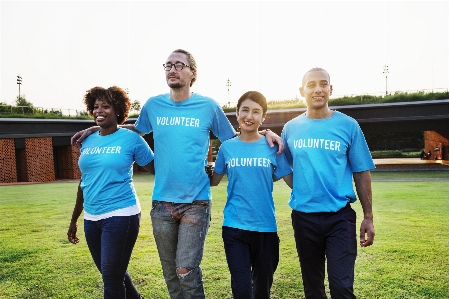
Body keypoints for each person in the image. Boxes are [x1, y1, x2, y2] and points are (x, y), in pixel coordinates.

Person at [70, 49, 284, 299]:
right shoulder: (153, 105)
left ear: (192, 73)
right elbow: (129, 130)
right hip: (162, 204)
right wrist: (95, 128)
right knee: (170, 273)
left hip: (195, 203)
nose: (172, 69)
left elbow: (236, 139)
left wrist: (266, 132)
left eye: (179, 65)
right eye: (168, 65)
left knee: (186, 270)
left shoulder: (208, 106)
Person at [281, 68, 375, 299]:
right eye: (311, 85)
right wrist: (305, 188)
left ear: (330, 89)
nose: (318, 89)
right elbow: (285, 167)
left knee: (341, 287)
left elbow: (361, 172)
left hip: (339, 218)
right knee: (313, 288)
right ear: (302, 91)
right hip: (304, 218)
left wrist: (369, 217)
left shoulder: (348, 125)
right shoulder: (290, 128)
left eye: (323, 84)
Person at [67, 86, 154, 299]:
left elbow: (157, 171)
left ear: (117, 110)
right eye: (96, 106)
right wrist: (74, 219)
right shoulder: (87, 139)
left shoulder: (131, 139)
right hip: (91, 217)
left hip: (121, 214)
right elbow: (84, 182)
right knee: (113, 273)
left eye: (106, 106)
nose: (100, 110)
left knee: (111, 279)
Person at [210, 91, 292, 299]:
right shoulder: (227, 148)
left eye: (256, 112)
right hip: (234, 227)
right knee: (242, 288)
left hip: (265, 227)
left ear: (263, 117)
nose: (249, 116)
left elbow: (293, 183)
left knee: (263, 289)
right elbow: (214, 181)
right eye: (245, 110)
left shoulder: (273, 147)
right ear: (237, 113)